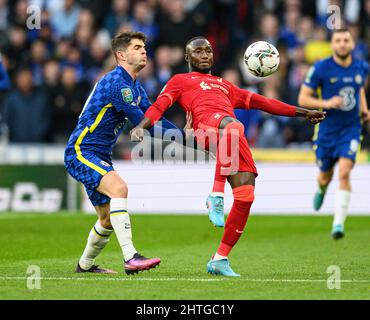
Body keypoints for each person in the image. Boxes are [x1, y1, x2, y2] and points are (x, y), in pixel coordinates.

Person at [131, 36, 325, 277]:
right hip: (205, 128)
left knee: (246, 196)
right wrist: (142, 125)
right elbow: (159, 106)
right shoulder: (180, 80)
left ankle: (220, 259)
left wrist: (303, 113)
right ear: (187, 57)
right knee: (234, 127)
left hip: (232, 138)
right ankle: (216, 196)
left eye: (208, 51)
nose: (204, 55)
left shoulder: (225, 85)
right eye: (198, 51)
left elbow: (264, 103)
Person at [64, 31, 185, 275]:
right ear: (121, 54)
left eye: (144, 47)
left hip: (99, 155)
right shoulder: (116, 83)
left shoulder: (134, 86)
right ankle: (131, 257)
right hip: (81, 150)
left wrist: (185, 135)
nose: (144, 51)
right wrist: (187, 138)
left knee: (107, 219)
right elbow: (144, 123)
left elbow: (154, 117)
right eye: (137, 47)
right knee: (119, 188)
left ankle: (85, 266)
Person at [298, 28, 369, 240]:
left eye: (346, 40)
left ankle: (338, 224)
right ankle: (321, 189)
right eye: (338, 40)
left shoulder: (361, 67)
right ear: (332, 45)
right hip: (327, 130)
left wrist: (364, 109)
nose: (342, 44)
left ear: (352, 44)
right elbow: (303, 99)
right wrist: (326, 103)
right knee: (325, 177)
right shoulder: (321, 68)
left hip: (351, 128)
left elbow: (359, 89)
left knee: (345, 172)